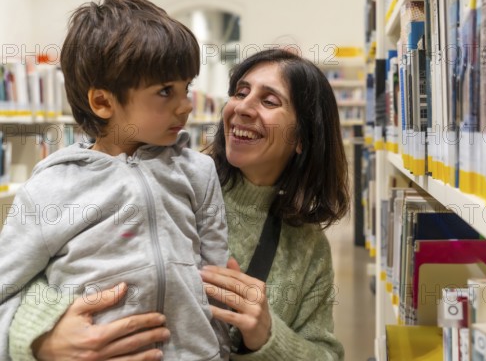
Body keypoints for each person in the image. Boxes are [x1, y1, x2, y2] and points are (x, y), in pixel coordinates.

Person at [9, 49, 350, 360]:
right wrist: (43, 337)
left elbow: (327, 353)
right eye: (241, 92)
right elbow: (31, 276)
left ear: (303, 138)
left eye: (270, 101)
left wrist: (268, 336)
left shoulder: (308, 248)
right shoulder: (168, 186)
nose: (242, 107)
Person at [0, 0, 230, 360]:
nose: (186, 104)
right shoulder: (51, 188)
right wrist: (39, 344)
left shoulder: (198, 172)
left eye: (186, 87)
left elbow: (216, 275)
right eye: (165, 91)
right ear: (103, 102)